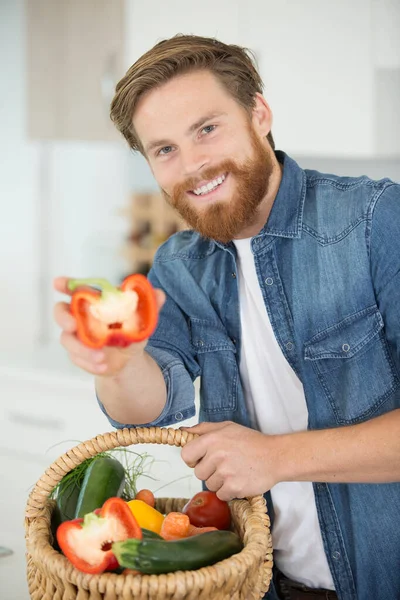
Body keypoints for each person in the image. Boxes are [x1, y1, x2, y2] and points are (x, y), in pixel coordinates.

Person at [53, 34, 400, 600]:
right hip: (262, 584)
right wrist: (115, 363)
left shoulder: (375, 220)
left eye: (206, 129)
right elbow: (152, 405)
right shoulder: (178, 264)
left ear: (258, 113)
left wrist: (273, 458)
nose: (193, 165)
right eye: (163, 150)